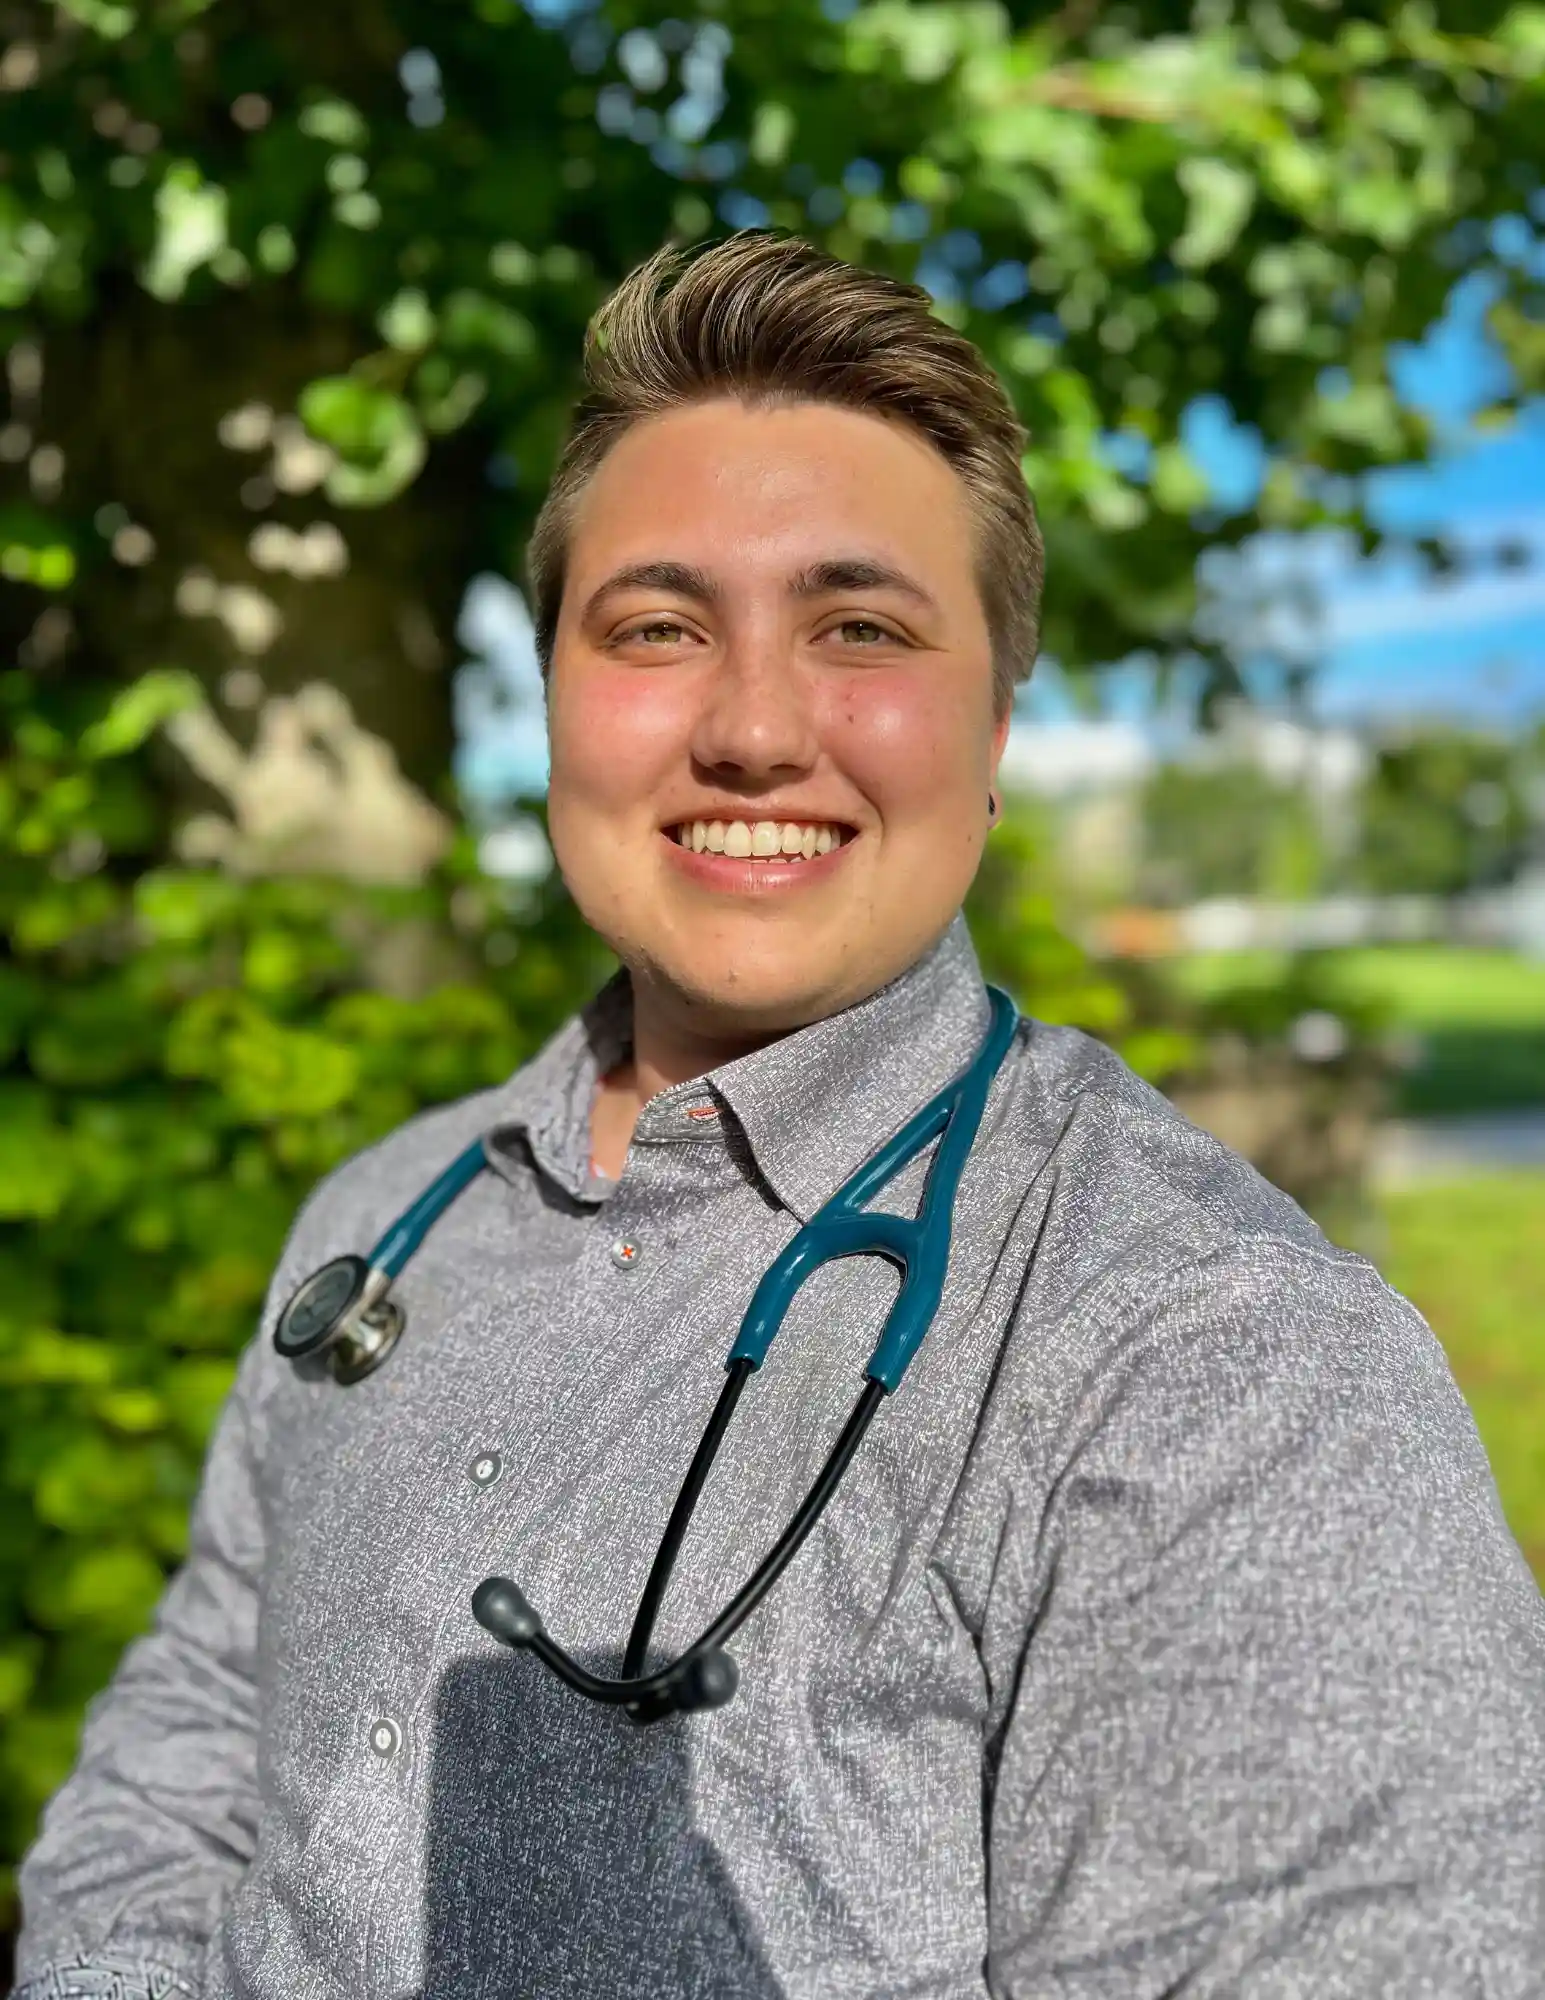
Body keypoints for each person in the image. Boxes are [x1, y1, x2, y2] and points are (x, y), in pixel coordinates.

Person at [15, 232, 1543, 2000]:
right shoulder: (387, 1208)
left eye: (860, 627)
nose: (750, 726)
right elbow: (194, 1724)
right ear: (555, 704)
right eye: (658, 627)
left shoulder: (1223, 1370)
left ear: (991, 721)